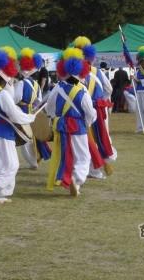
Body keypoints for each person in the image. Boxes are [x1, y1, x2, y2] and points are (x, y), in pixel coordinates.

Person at [0, 46, 34, 205]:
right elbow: (14, 114)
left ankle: (1, 194)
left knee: (1, 164)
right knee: (12, 165)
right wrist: (29, 118)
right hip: (3, 131)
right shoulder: (2, 93)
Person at [45, 47, 97, 197]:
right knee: (83, 157)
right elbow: (90, 112)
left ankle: (69, 180)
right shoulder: (83, 90)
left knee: (67, 155)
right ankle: (76, 179)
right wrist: (88, 122)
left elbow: (49, 107)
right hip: (78, 127)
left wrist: (54, 117)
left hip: (61, 126)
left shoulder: (57, 87)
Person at [72, 36, 114, 179]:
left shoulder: (72, 72)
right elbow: (109, 88)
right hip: (96, 108)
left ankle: (85, 169)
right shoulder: (97, 72)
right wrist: (101, 99)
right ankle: (94, 169)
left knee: (83, 142)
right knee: (97, 139)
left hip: (80, 112)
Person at [13, 48, 47, 168]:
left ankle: (33, 161)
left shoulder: (21, 83)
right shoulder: (36, 84)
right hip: (31, 112)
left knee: (23, 139)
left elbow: (15, 98)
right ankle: (35, 159)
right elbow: (39, 100)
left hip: (21, 111)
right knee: (30, 137)